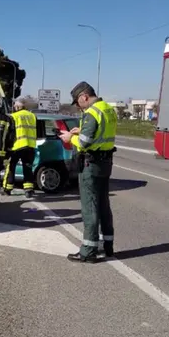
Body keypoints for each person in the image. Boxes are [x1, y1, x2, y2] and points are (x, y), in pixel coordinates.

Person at [59, 81, 117, 263]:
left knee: (90, 207)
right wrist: (79, 131)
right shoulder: (107, 109)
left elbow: (84, 143)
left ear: (84, 96)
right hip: (106, 162)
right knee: (103, 205)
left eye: (78, 103)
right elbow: (99, 134)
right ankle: (107, 246)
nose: (78, 107)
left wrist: (70, 137)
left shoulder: (91, 113)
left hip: (90, 164)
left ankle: (88, 250)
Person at [3, 97, 37, 198]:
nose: (13, 107)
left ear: (18, 106)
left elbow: (10, 133)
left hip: (17, 146)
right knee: (27, 168)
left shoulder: (13, 116)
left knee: (11, 167)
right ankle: (29, 189)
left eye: (15, 105)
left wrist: (7, 147)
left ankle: (7, 188)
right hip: (30, 146)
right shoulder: (32, 116)